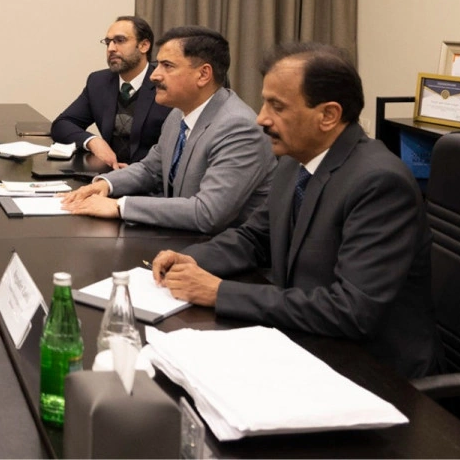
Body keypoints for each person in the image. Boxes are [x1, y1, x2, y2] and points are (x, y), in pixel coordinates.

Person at [152, 43, 440, 379]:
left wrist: (219, 292)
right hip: (305, 342)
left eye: (277, 106)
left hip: (374, 371)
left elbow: (351, 309)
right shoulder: (295, 161)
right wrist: (191, 259)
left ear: (328, 115)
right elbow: (255, 237)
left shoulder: (379, 183)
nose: (261, 118)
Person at [61, 26, 273, 233]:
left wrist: (120, 206)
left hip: (223, 249)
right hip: (182, 237)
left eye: (167, 66)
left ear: (203, 74)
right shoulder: (178, 114)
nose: (154, 75)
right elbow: (151, 169)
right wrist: (106, 184)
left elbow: (207, 212)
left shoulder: (238, 128)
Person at [50, 16, 171, 167]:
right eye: (108, 42)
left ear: (144, 45)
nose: (111, 48)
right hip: (108, 174)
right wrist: (93, 141)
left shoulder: (165, 83)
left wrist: (136, 174)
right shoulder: (99, 82)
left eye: (120, 40)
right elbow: (62, 124)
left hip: (151, 177)